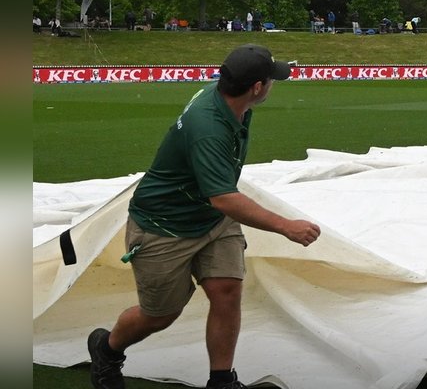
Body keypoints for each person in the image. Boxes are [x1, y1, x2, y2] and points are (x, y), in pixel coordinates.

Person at [87, 44, 321, 389]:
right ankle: (106, 349)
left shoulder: (230, 102)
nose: (274, 84)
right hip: (164, 225)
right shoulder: (208, 127)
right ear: (257, 87)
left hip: (211, 218)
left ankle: (221, 381)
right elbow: (224, 198)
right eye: (271, 79)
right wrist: (285, 225)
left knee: (226, 289)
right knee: (160, 315)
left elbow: (220, 200)